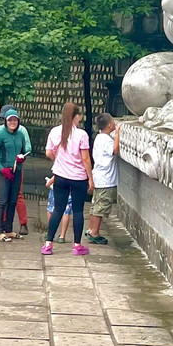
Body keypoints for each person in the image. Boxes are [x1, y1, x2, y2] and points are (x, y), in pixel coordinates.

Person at [44, 101, 93, 256]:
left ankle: (48, 244)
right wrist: (90, 178)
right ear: (76, 117)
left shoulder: (55, 132)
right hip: (78, 178)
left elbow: (48, 153)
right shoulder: (81, 134)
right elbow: (86, 159)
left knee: (58, 209)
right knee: (78, 210)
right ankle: (77, 245)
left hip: (60, 176)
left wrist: (58, 160)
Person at [0, 109, 31, 241]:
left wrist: (21, 158)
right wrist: (2, 169)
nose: (12, 122)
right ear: (6, 121)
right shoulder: (0, 133)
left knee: (13, 201)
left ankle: (9, 229)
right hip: (4, 172)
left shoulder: (20, 134)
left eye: (15, 120)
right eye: (10, 120)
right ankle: (0, 231)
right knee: (3, 201)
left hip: (16, 171)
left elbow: (25, 151)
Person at [87, 112, 120, 245]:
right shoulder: (106, 140)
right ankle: (94, 232)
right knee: (100, 207)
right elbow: (115, 150)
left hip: (100, 177)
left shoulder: (100, 137)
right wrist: (118, 134)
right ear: (110, 125)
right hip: (105, 179)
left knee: (96, 206)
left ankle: (92, 230)